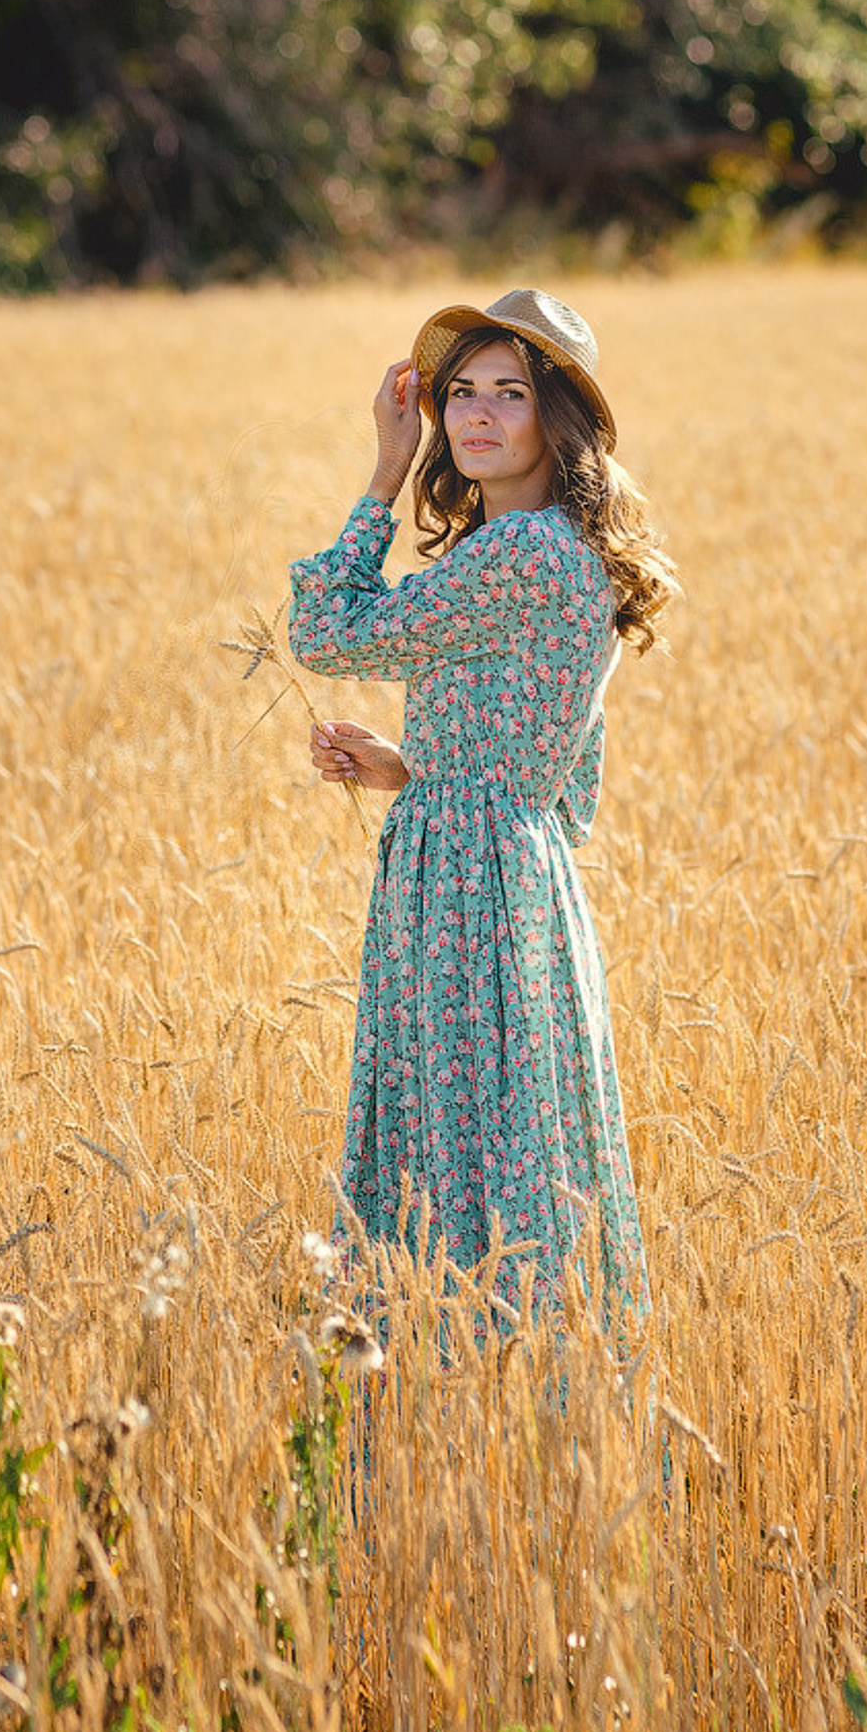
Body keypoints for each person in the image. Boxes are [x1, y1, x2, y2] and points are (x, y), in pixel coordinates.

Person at [287, 289, 677, 1326]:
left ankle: (452, 1370)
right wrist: (418, 774)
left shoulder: (522, 553)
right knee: (510, 1140)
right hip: (516, 877)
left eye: (511, 392)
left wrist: (386, 469)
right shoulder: (564, 553)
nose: (475, 414)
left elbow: (326, 634)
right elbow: (567, 790)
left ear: (560, 417)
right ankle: (514, 1375)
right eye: (460, 392)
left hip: (463, 888)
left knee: (449, 1145)